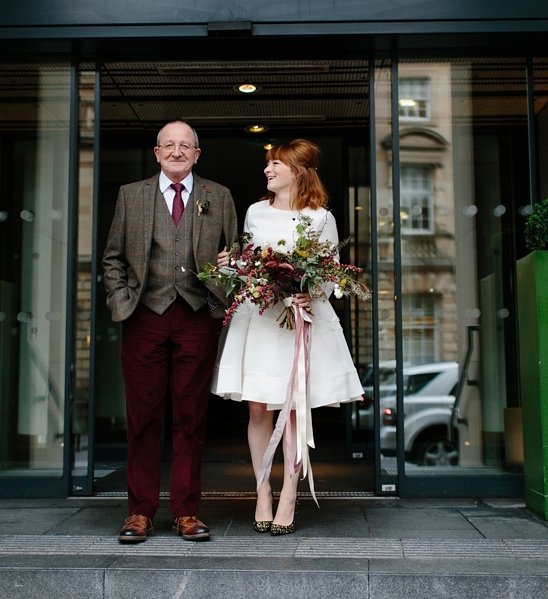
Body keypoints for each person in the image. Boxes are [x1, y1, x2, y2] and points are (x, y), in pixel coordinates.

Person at [211, 139, 363, 535]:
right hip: (260, 318)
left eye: (275, 163)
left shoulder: (320, 217)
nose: (267, 169)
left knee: (295, 411)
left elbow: (329, 275)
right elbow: (247, 265)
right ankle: (262, 491)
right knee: (259, 409)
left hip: (298, 320)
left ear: (297, 171)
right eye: (268, 163)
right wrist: (232, 267)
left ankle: (289, 494)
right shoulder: (255, 211)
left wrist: (308, 290)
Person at [102, 121, 238, 543]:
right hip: (144, 316)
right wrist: (122, 301)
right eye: (169, 145)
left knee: (190, 418)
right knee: (141, 419)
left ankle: (186, 512)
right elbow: (113, 258)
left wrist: (223, 279)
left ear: (197, 154)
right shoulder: (132, 194)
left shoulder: (219, 196)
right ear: (157, 153)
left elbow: (236, 253)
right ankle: (139, 512)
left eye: (186, 146)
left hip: (197, 317)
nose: (177, 151)